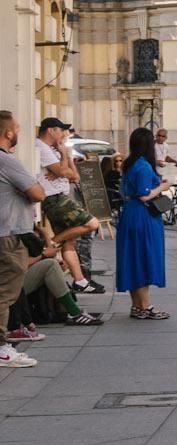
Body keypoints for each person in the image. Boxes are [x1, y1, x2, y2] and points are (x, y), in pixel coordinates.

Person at [0, 111, 47, 368]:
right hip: (9, 234)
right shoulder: (7, 161)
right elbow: (38, 192)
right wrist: (29, 189)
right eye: (16, 128)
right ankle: (1, 348)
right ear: (8, 132)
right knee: (6, 292)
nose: (17, 132)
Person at [36, 118, 102, 293]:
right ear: (51, 130)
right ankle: (51, 243)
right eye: (60, 130)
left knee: (70, 242)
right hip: (54, 199)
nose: (63, 134)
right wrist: (64, 157)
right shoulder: (41, 148)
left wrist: (67, 158)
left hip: (60, 197)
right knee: (92, 223)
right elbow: (62, 171)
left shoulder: (53, 149)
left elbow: (74, 177)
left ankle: (79, 281)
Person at [114, 127, 169, 319]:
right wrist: (163, 186)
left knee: (132, 258)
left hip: (129, 213)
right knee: (144, 257)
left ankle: (136, 305)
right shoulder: (144, 166)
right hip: (143, 215)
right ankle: (145, 305)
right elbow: (145, 195)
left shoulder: (129, 164)